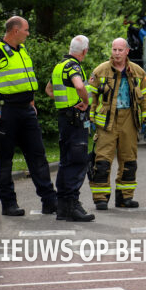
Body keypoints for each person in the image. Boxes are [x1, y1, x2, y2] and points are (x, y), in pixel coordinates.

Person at [0, 16, 57, 216]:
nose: (28, 34)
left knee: (38, 156)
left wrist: (31, 103)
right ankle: (9, 204)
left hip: (26, 110)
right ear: (15, 30)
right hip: (7, 111)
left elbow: (25, 78)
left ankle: (50, 201)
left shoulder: (21, 50)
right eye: (26, 30)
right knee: (5, 160)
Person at [87, 38, 146, 210]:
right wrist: (90, 118)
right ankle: (100, 198)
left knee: (129, 161)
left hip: (129, 119)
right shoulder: (100, 71)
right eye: (114, 49)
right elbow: (91, 97)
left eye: (120, 50)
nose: (116, 53)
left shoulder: (137, 72)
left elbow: (145, 98)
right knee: (102, 161)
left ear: (127, 51)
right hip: (106, 121)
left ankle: (125, 198)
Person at [44, 35, 95, 222]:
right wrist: (84, 101)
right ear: (84, 51)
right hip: (75, 120)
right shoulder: (73, 67)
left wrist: (63, 103)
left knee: (66, 162)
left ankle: (63, 207)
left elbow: (49, 90)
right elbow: (80, 86)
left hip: (64, 119)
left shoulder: (59, 66)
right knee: (78, 161)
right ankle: (72, 205)